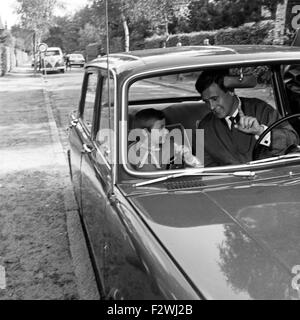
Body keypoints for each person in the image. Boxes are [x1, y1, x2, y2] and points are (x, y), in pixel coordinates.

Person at [195, 70, 299, 167]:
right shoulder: (203, 126)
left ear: (231, 91)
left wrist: (261, 131)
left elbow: (293, 140)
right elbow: (201, 167)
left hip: (268, 180)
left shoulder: (262, 109)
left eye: (214, 99)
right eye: (206, 101)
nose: (211, 106)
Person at [128, 108, 202, 171]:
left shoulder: (170, 145)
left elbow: (200, 168)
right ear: (145, 132)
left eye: (165, 127)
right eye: (161, 128)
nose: (166, 131)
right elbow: (151, 178)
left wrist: (189, 158)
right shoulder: (135, 154)